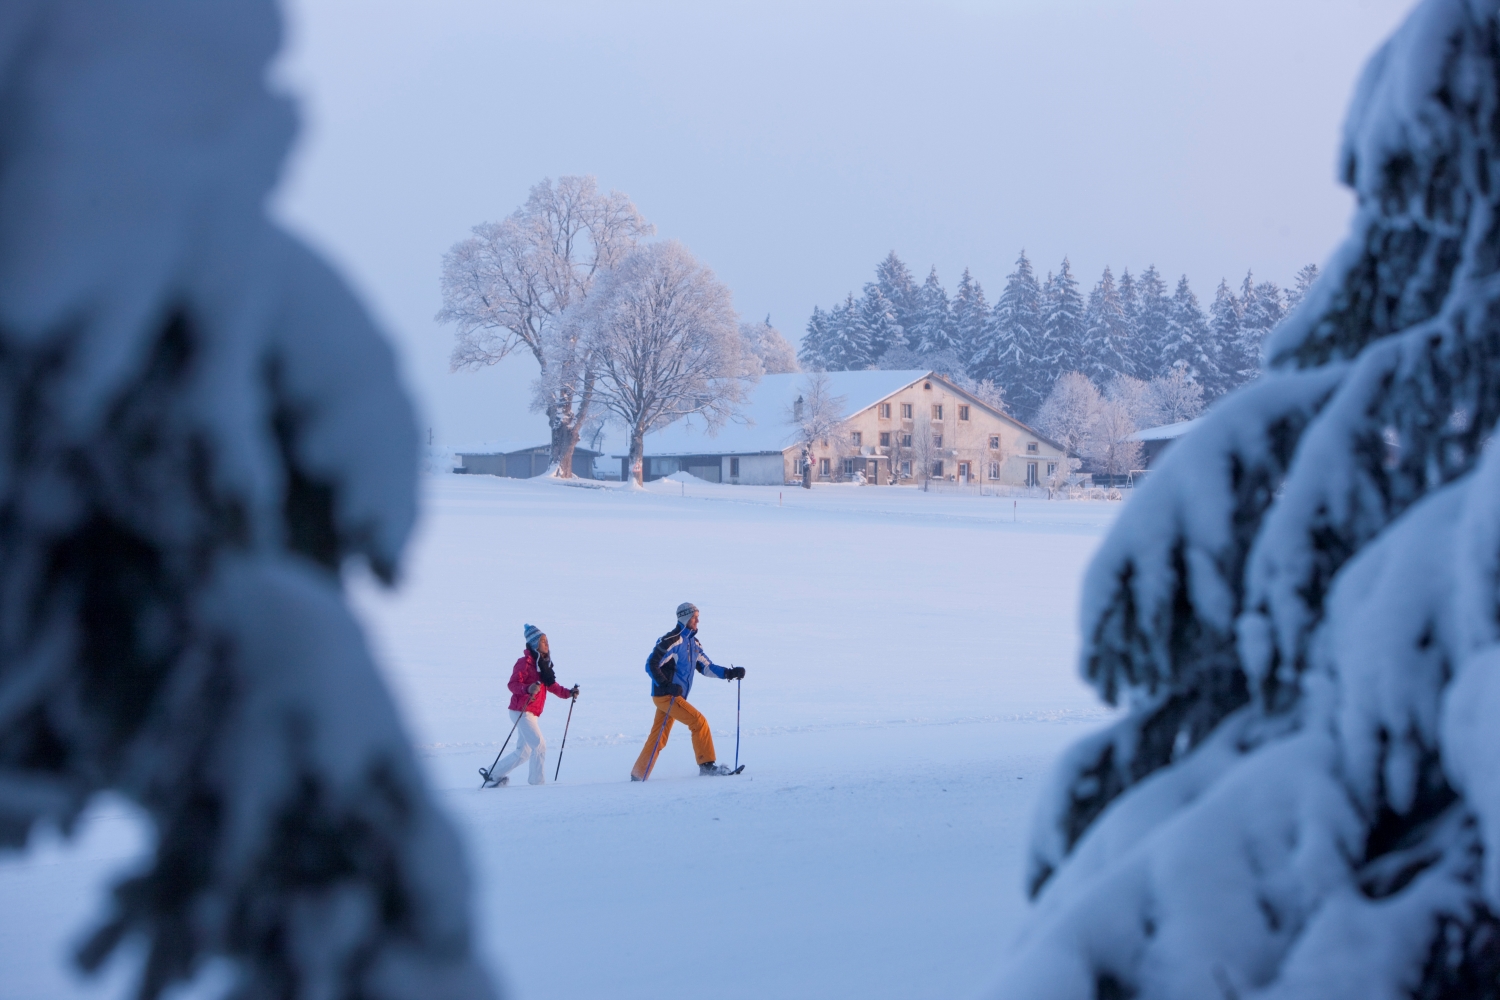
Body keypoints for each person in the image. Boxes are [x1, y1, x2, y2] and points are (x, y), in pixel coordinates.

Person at [630, 602, 746, 780]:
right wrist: (666, 685)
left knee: (658, 737)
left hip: (671, 696)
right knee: (698, 722)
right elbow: (651, 665)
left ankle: (638, 776)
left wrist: (729, 673)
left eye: (698, 617)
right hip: (667, 695)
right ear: (685, 617)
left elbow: (707, 667)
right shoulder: (673, 640)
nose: (698, 620)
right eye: (694, 617)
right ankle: (707, 767)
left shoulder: (693, 643)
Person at [490, 624, 578, 786]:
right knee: (539, 746)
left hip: (531, 713)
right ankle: (537, 785)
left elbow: (552, 686)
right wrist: (527, 688)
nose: (547, 644)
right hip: (521, 711)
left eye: (547, 641)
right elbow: (512, 684)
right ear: (534, 643)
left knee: (523, 752)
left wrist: (568, 693)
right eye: (543, 641)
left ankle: (493, 774)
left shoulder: (543, 665)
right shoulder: (525, 663)